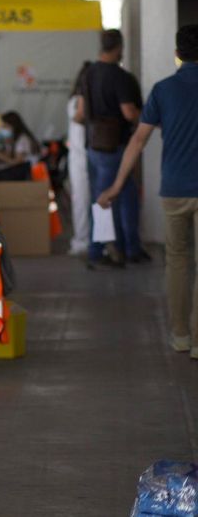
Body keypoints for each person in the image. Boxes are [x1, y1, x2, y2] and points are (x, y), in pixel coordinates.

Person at [99, 25, 198, 359]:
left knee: (178, 262)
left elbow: (138, 141)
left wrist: (115, 185)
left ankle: (181, 335)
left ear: (178, 53)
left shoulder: (163, 90)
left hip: (174, 189)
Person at [75, 29, 149, 267]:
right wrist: (147, 117)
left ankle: (131, 248)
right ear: (119, 47)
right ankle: (100, 252)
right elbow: (129, 112)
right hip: (115, 147)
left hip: (93, 145)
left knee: (122, 196)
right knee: (109, 199)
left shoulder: (87, 74)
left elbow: (79, 114)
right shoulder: (120, 77)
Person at [67, 65, 92, 256]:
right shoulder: (77, 101)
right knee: (82, 201)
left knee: (88, 201)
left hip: (85, 157)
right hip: (81, 158)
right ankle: (83, 240)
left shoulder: (77, 100)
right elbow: (78, 118)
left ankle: (90, 240)